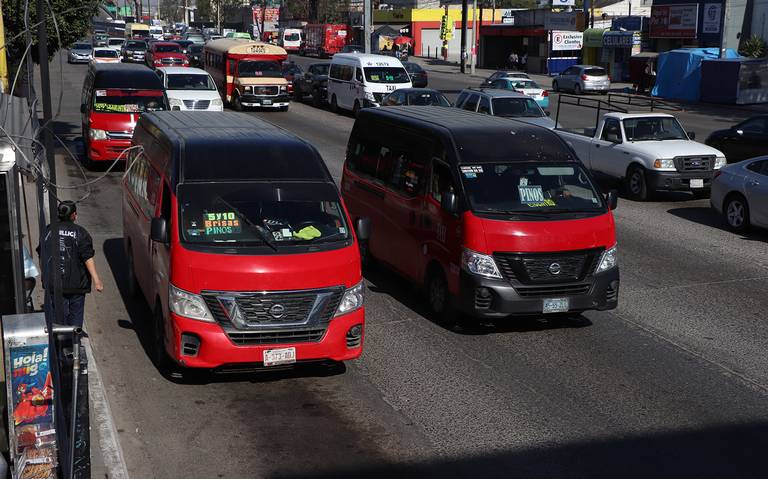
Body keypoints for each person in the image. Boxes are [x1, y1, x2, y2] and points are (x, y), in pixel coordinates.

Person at [39, 200, 103, 328]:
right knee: (75, 317)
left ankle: (60, 340)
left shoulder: (48, 231)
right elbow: (87, 257)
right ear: (74, 215)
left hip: (54, 283)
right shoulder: (80, 232)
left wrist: (46, 277)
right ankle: (74, 343)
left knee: (58, 316)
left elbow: (42, 254)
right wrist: (97, 280)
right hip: (76, 285)